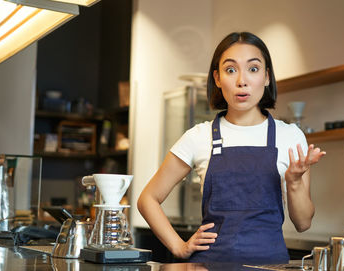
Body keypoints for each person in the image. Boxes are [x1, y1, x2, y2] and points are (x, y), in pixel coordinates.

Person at [137, 32, 326, 264]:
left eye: (253, 69)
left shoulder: (290, 136)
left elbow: (303, 223)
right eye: (230, 70)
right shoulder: (198, 136)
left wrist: (294, 183)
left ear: (267, 77)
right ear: (217, 78)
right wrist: (179, 246)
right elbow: (148, 198)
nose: (242, 81)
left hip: (271, 267)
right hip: (209, 265)